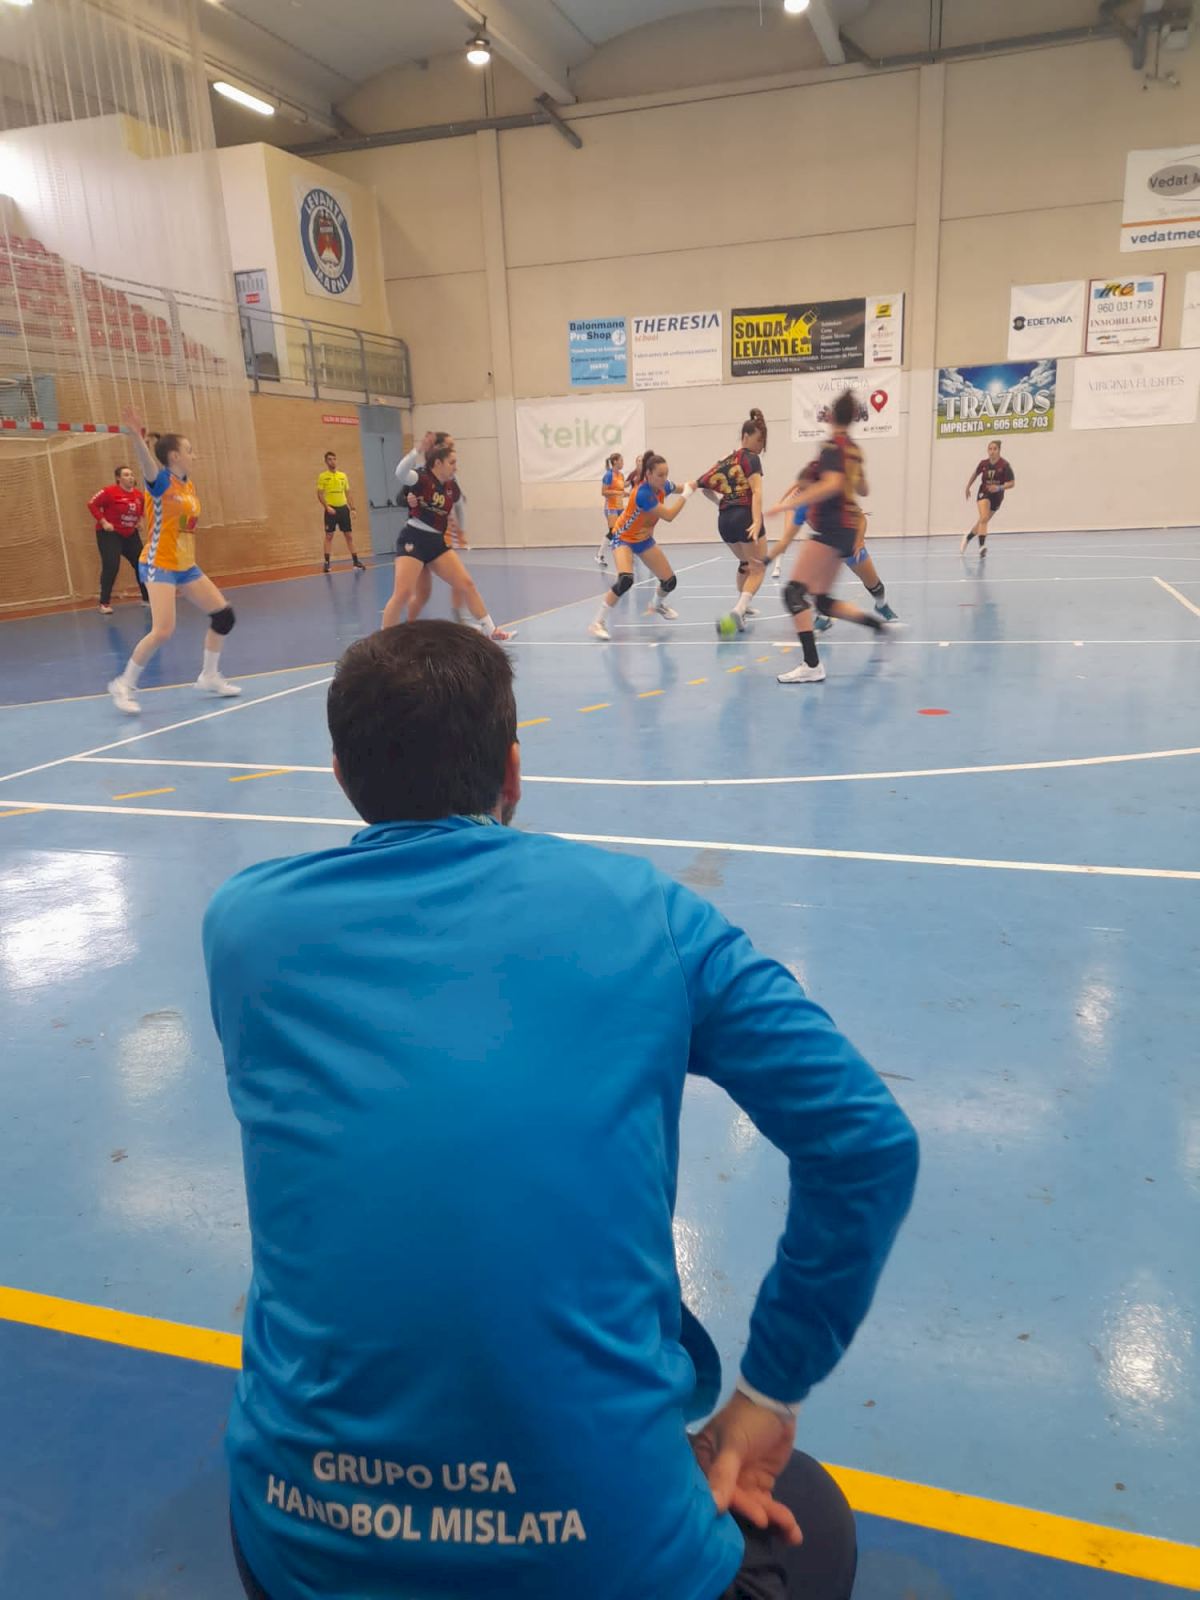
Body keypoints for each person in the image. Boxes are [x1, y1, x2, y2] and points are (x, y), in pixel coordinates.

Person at [204, 620, 919, 1600]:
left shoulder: (243, 927)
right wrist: (770, 1388)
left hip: (299, 1553)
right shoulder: (646, 912)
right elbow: (865, 1140)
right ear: (513, 770)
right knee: (812, 1513)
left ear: (340, 775)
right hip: (606, 1563)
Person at [106, 408, 241, 714]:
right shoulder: (161, 482)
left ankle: (209, 676)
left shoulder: (187, 485)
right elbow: (146, 465)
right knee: (163, 630)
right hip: (159, 563)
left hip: (185, 565)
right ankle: (123, 685)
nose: (194, 455)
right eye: (189, 450)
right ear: (174, 456)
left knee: (224, 616)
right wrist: (137, 438)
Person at [770, 391, 892, 686]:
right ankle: (878, 626)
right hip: (848, 527)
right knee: (822, 601)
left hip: (831, 525)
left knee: (793, 593)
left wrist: (788, 504)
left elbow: (831, 485)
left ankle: (812, 664)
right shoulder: (854, 450)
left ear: (831, 415)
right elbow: (863, 489)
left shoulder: (832, 447)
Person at [381, 442, 514, 639]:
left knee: (466, 584)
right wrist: (417, 451)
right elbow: (400, 473)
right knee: (403, 593)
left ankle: (491, 630)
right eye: (451, 462)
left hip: (436, 542)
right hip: (414, 539)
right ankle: (383, 640)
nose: (455, 467)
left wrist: (462, 530)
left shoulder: (451, 486)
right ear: (438, 463)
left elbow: (459, 505)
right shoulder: (422, 477)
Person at [768, 462, 899, 632]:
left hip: (848, 543)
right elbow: (787, 535)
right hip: (826, 546)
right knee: (813, 587)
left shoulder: (833, 498)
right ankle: (823, 616)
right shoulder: (800, 504)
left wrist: (859, 541)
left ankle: (881, 604)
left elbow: (860, 518)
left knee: (874, 584)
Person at [589, 450, 695, 641]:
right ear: (649, 474)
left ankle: (657, 604)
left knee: (669, 581)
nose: (664, 479)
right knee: (625, 580)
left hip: (643, 540)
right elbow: (669, 515)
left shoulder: (663, 486)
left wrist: (700, 484)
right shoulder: (643, 493)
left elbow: (683, 487)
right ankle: (597, 623)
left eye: (666, 474)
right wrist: (687, 495)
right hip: (623, 538)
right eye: (660, 475)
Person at [702, 408, 768, 636]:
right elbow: (757, 491)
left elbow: (704, 486)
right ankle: (739, 609)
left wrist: (719, 500)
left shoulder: (726, 459)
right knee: (758, 567)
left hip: (724, 520)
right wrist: (756, 521)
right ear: (745, 436)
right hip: (744, 515)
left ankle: (743, 606)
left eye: (763, 442)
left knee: (745, 563)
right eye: (758, 440)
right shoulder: (751, 459)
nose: (760, 446)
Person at [88, 465, 148, 613]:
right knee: (111, 565)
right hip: (110, 534)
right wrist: (104, 522)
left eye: (131, 474)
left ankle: (147, 598)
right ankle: (104, 603)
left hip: (130, 534)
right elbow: (92, 504)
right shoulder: (109, 492)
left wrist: (140, 521)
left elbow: (141, 510)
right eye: (126, 475)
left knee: (142, 563)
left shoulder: (139, 495)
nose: (130, 477)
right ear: (118, 478)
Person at [961, 440, 1015, 556]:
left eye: (995, 449)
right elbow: (975, 474)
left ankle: (968, 537)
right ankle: (982, 546)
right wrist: (968, 486)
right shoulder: (983, 464)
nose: (992, 451)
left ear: (999, 450)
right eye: (990, 449)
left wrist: (999, 487)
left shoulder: (1005, 465)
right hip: (984, 493)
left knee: (982, 521)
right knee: (984, 517)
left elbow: (1012, 483)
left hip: (997, 496)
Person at [316, 451, 365, 574]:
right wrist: (327, 507)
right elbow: (320, 494)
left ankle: (356, 561)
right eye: (330, 459)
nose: (332, 461)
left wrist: (352, 508)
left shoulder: (343, 476)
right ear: (326, 462)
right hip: (331, 510)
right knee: (329, 536)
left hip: (343, 509)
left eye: (334, 459)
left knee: (349, 536)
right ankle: (327, 563)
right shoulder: (323, 476)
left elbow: (348, 493)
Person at [596, 450, 625, 568]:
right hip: (611, 507)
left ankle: (626, 554)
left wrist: (628, 493)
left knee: (624, 530)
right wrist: (617, 492)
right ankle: (599, 555)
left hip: (620, 507)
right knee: (613, 532)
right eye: (621, 460)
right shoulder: (608, 475)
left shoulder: (621, 475)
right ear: (615, 462)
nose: (623, 462)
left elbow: (621, 490)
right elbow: (604, 492)